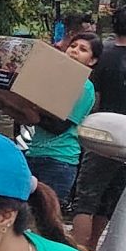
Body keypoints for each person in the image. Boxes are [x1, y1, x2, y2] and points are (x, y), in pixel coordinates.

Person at [72, 5, 126, 251]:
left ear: (113, 26)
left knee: (85, 200)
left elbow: (94, 97)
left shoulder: (101, 55)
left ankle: (77, 250)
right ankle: (93, 248)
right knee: (109, 200)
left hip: (100, 134)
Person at [22, 31, 97, 214]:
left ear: (92, 60)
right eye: (73, 46)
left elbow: (58, 126)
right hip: (31, 153)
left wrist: (28, 109)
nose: (74, 51)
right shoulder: (50, 79)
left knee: (46, 219)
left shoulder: (85, 87)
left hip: (58, 160)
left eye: (83, 49)